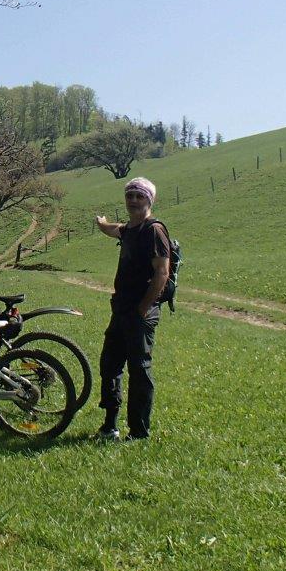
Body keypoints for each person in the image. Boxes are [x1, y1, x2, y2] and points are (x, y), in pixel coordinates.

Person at [93, 176, 171, 441]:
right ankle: (110, 426)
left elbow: (162, 272)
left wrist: (143, 308)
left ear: (150, 200)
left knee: (139, 371)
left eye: (140, 196)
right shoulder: (129, 230)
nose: (134, 200)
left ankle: (138, 432)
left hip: (140, 313)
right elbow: (113, 229)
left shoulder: (154, 231)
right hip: (121, 310)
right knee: (110, 365)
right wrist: (101, 223)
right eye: (130, 196)